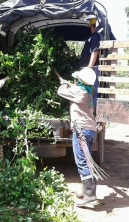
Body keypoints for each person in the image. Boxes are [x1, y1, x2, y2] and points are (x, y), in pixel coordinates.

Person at [57, 67, 99, 207]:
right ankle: (85, 190)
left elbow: (60, 91)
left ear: (81, 81)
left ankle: (89, 194)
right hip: (91, 131)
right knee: (88, 162)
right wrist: (70, 85)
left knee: (81, 162)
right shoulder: (89, 92)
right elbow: (76, 88)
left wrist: (64, 84)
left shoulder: (79, 92)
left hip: (82, 131)